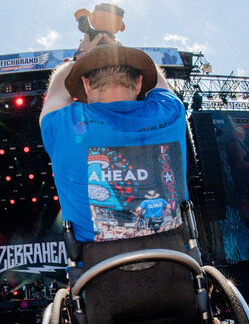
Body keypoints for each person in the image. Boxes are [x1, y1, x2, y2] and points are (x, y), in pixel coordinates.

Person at [40, 38, 185, 243]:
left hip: (95, 270)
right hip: (177, 264)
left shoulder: (64, 125)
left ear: (86, 84)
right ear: (139, 83)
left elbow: (57, 89)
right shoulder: (171, 112)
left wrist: (81, 57)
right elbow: (159, 81)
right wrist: (120, 48)